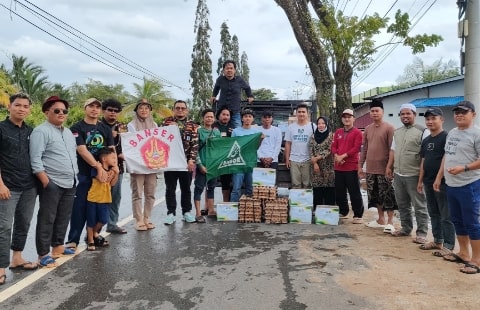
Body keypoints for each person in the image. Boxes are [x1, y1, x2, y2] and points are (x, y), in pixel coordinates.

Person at [30, 95, 78, 268]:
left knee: (63, 216)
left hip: (70, 181)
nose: (61, 113)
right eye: (56, 110)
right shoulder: (41, 131)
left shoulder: (67, 132)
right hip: (52, 182)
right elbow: (35, 159)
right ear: (46, 112)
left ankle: (58, 246)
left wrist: (75, 177)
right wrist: (45, 181)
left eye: (64, 111)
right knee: (47, 218)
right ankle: (43, 254)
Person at [434, 101, 480, 274]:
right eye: (457, 112)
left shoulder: (476, 134)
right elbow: (447, 154)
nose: (459, 115)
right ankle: (463, 253)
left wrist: (465, 167)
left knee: (472, 222)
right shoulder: (452, 132)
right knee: (457, 220)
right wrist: (440, 176)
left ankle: (477, 259)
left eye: (463, 112)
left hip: (469, 184)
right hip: (451, 184)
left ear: (473, 114)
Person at [65, 98, 114, 249]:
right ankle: (73, 239)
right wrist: (97, 166)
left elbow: (112, 149)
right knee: (79, 207)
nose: (94, 109)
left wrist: (113, 169)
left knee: (100, 208)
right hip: (84, 173)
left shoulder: (105, 128)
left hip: (103, 177)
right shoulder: (76, 127)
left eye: (97, 107)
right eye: (91, 106)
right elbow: (81, 149)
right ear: (84, 108)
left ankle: (93, 236)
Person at [0, 93, 38, 284]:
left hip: (29, 187)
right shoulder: (1, 128)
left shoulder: (31, 131)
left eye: (25, 106)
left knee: (23, 223)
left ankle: (17, 258)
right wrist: (0, 184)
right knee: (4, 227)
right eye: (18, 105)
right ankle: (0, 267)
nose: (22, 109)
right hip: (7, 187)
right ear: (10, 106)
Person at [386, 103, 429, 243]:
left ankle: (421, 233)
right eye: (402, 114)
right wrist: (389, 167)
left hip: (414, 174)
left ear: (414, 115)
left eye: (408, 113)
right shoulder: (397, 132)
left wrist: (421, 178)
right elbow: (393, 150)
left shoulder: (423, 131)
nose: (405, 116)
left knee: (419, 205)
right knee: (402, 204)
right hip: (399, 174)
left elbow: (425, 156)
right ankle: (405, 228)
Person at [417, 108, 455, 254]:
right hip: (428, 181)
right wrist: (420, 181)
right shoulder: (426, 140)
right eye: (428, 119)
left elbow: (446, 159)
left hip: (443, 182)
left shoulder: (447, 137)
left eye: (434, 118)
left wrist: (439, 178)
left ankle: (449, 245)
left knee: (446, 214)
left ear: (442, 120)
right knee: (433, 212)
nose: (430, 121)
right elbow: (423, 161)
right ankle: (437, 240)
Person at [359, 100, 397, 233]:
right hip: (370, 168)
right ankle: (380, 219)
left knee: (387, 194)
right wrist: (360, 166)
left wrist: (390, 167)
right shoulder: (368, 129)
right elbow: (364, 149)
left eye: (377, 111)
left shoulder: (389, 128)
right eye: (372, 111)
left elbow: (392, 149)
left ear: (383, 112)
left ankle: (390, 221)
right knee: (375, 195)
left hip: (384, 168)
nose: (374, 113)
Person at [161, 100, 199, 225]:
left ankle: (186, 212)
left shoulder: (193, 125)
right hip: (170, 162)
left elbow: (195, 144)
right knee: (170, 189)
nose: (180, 110)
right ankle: (170, 213)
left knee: (186, 189)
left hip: (185, 163)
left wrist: (191, 160)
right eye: (177, 108)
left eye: (183, 108)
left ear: (187, 110)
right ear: (173, 109)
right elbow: (160, 140)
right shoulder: (166, 122)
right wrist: (169, 128)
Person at [127, 99, 159, 231]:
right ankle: (138, 219)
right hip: (137, 164)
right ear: (136, 110)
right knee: (137, 193)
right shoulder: (131, 125)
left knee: (150, 193)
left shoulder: (155, 124)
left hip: (151, 163)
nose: (144, 110)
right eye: (141, 108)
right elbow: (133, 144)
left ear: (150, 111)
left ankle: (147, 217)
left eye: (147, 108)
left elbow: (157, 142)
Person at [331, 109, 364, 223]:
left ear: (354, 118)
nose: (347, 119)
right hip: (338, 166)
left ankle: (358, 214)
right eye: (344, 117)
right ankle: (343, 211)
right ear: (342, 119)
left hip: (351, 167)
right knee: (340, 191)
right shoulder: (338, 132)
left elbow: (356, 148)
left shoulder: (358, 133)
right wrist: (336, 156)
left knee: (354, 191)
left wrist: (343, 156)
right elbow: (334, 146)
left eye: (349, 116)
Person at [101, 98, 127, 234]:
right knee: (99, 197)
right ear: (104, 110)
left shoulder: (122, 127)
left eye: (116, 111)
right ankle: (94, 230)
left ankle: (112, 224)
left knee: (115, 197)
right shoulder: (97, 126)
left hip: (118, 168)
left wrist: (122, 154)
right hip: (101, 168)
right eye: (110, 110)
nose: (113, 113)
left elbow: (129, 145)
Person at [86, 148, 119, 251]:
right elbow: (102, 179)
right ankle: (90, 240)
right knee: (91, 220)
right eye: (112, 157)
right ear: (104, 159)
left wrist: (116, 173)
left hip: (105, 199)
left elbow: (112, 183)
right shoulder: (96, 169)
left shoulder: (111, 170)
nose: (114, 160)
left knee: (103, 219)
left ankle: (95, 233)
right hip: (94, 199)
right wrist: (102, 169)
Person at [193, 109, 221, 222]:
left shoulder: (217, 132)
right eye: (207, 116)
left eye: (211, 117)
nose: (209, 118)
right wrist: (200, 165)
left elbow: (219, 149)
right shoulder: (198, 132)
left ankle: (211, 210)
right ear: (203, 118)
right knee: (199, 188)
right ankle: (198, 213)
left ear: (214, 119)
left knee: (211, 188)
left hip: (213, 166)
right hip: (202, 165)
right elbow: (194, 151)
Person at [230, 109, 262, 202]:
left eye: (249, 116)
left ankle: (249, 211)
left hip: (251, 163)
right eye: (245, 116)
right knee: (236, 189)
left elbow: (256, 147)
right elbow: (233, 146)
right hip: (238, 164)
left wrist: (261, 140)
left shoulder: (256, 132)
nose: (247, 118)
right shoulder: (236, 131)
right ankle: (233, 211)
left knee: (250, 189)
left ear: (253, 119)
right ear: (242, 118)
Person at [210, 60, 254, 128]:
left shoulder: (239, 80)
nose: (229, 70)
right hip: (222, 111)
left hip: (235, 111)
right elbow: (216, 88)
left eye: (231, 68)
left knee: (238, 130)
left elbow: (247, 88)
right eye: (227, 68)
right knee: (217, 129)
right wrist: (213, 96)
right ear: (224, 70)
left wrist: (250, 96)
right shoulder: (220, 79)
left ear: (234, 70)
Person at [284, 103, 316, 188]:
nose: (301, 114)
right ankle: (296, 201)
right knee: (295, 184)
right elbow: (288, 144)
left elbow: (317, 144)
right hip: (294, 160)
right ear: (296, 113)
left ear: (307, 113)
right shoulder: (291, 127)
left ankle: (306, 201)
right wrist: (287, 159)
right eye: (299, 112)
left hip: (308, 160)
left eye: (303, 112)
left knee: (307, 184)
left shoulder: (313, 127)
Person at [309, 116, 335, 208]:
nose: (321, 125)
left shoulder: (331, 136)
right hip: (316, 167)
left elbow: (330, 149)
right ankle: (317, 211)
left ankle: (329, 211)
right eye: (319, 123)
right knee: (317, 188)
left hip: (328, 167)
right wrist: (315, 162)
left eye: (323, 123)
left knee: (329, 187)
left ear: (326, 124)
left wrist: (317, 158)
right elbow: (310, 150)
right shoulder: (313, 136)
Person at [212, 106, 234, 201]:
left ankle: (225, 203)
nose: (226, 116)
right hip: (214, 159)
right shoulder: (213, 125)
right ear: (218, 115)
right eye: (223, 114)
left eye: (228, 115)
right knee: (210, 183)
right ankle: (208, 207)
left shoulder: (233, 127)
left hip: (227, 159)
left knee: (226, 183)